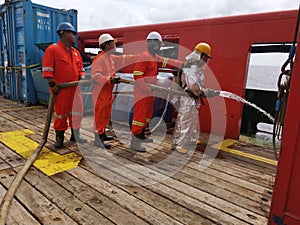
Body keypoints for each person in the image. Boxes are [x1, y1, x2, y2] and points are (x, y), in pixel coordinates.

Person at [130, 31, 184, 152]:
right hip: (142, 92)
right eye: (158, 44)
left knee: (147, 115)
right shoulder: (144, 56)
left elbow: (167, 61)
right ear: (152, 43)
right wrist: (146, 88)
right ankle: (135, 142)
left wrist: (183, 64)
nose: (159, 47)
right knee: (139, 117)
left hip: (149, 92)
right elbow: (137, 75)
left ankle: (141, 135)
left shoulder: (154, 57)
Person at [42, 22, 87, 148]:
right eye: (72, 34)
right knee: (61, 114)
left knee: (77, 112)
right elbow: (47, 70)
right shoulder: (53, 50)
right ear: (64, 34)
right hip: (61, 90)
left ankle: (75, 135)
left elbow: (81, 68)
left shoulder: (76, 52)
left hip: (75, 88)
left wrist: (82, 77)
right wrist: (52, 85)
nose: (74, 37)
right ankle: (59, 137)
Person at [91, 33, 139, 149]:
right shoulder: (100, 59)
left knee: (106, 115)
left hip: (107, 92)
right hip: (100, 93)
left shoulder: (110, 58)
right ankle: (98, 139)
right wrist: (109, 79)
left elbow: (125, 58)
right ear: (106, 44)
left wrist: (139, 56)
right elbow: (95, 76)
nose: (115, 45)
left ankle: (102, 134)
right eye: (113, 43)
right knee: (100, 116)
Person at [173, 42, 219, 154]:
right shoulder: (191, 67)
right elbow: (194, 87)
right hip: (188, 98)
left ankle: (191, 140)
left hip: (193, 99)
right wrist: (205, 92)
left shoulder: (196, 67)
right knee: (185, 121)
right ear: (201, 55)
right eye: (206, 57)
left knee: (192, 120)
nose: (206, 60)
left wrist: (203, 91)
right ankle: (179, 144)